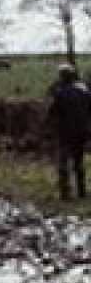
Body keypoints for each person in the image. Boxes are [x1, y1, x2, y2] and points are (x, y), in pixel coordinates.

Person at [48, 63, 91, 200]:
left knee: (63, 163)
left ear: (62, 77)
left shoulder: (60, 93)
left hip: (65, 133)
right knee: (79, 162)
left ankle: (65, 193)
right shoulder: (84, 91)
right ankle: (82, 191)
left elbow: (52, 113)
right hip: (82, 132)